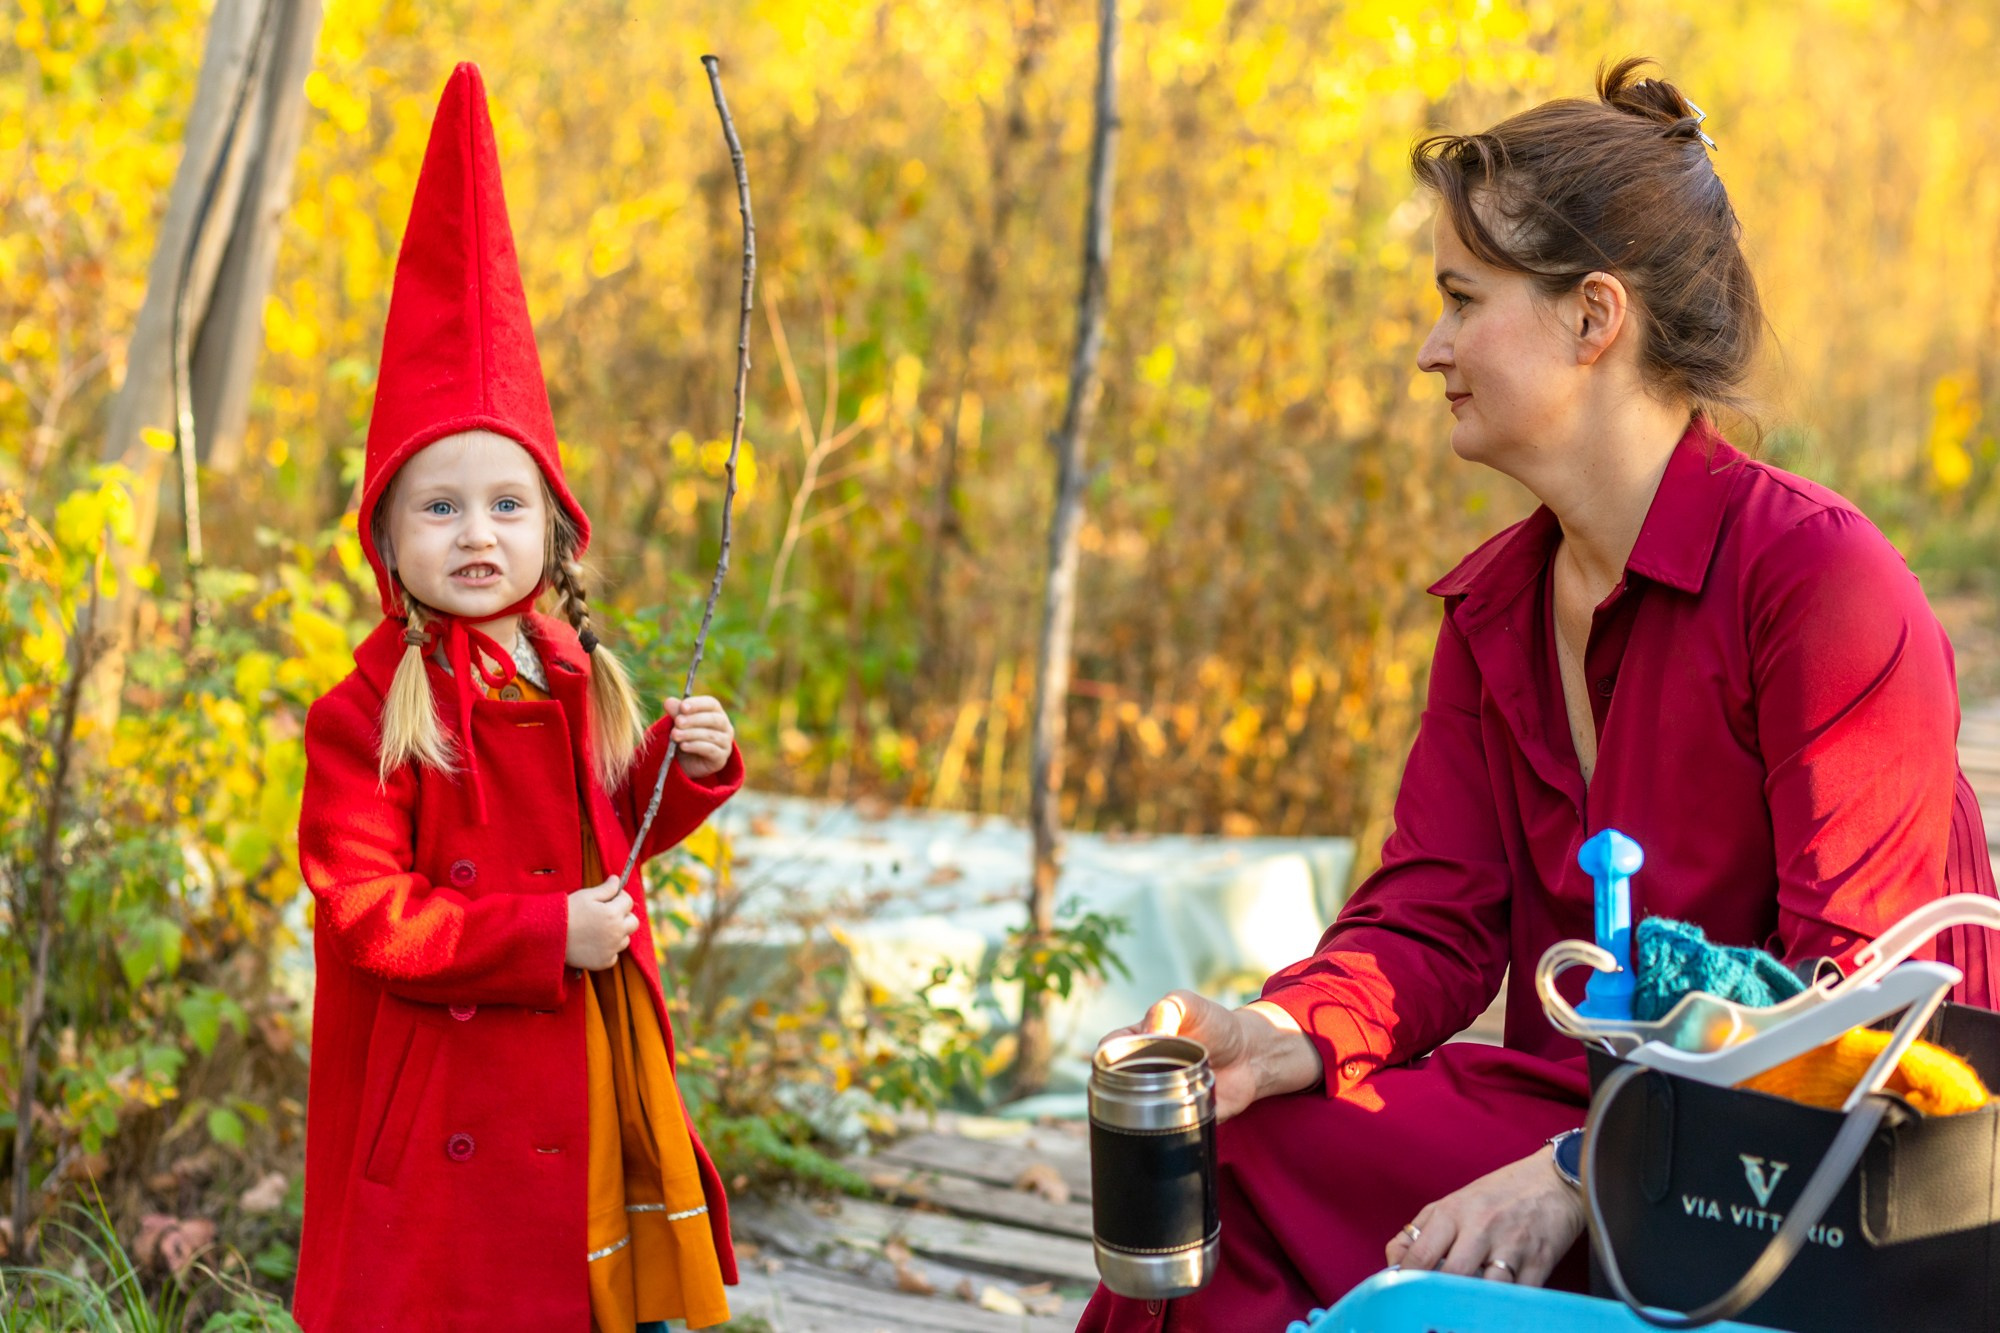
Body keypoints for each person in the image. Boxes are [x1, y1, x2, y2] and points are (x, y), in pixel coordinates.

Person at [1080, 58, 2000, 1331]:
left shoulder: (1820, 584)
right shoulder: (1496, 606)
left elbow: (1857, 1002)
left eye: (1460, 300)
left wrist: (1579, 1171)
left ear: (1591, 318)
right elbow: (1432, 918)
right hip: (1585, 1115)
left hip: (1826, 1170)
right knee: (1230, 1153)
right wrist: (1279, 1033)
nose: (1429, 349)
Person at [292, 64, 744, 1333]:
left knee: (568, 1292)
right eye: (439, 506)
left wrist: (678, 768)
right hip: (445, 1088)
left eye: (505, 504)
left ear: (553, 528)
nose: (476, 534)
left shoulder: (570, 671)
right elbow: (369, 913)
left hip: (570, 1068)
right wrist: (542, 937)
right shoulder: (364, 712)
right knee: (452, 1296)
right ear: (388, 536)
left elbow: (603, 836)